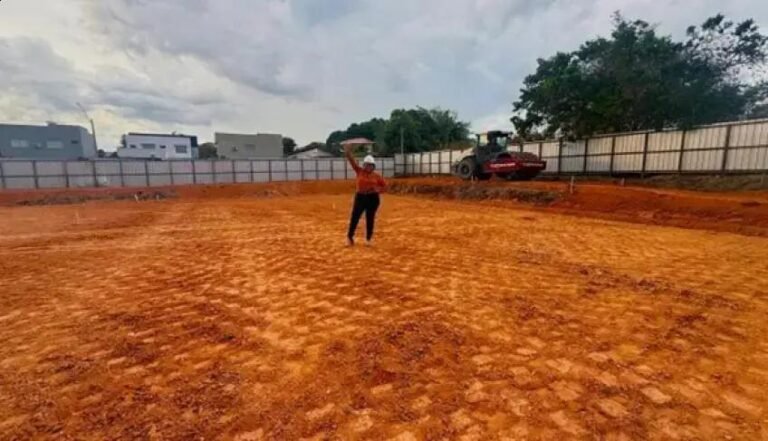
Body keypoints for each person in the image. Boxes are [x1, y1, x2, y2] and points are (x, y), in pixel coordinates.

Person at [344, 144, 387, 246]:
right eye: (367, 164)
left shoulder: (377, 176)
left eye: (371, 165)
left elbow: (385, 186)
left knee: (370, 218)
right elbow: (351, 161)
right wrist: (348, 152)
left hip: (373, 198)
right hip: (360, 197)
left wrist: (378, 190)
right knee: (355, 217)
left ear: (373, 166)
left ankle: (368, 239)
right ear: (364, 165)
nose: (369, 167)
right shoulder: (359, 171)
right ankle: (349, 238)